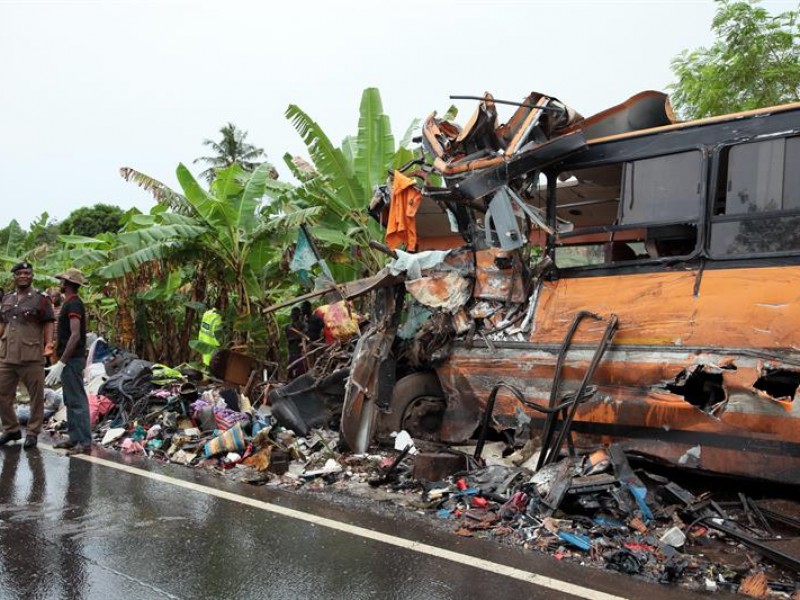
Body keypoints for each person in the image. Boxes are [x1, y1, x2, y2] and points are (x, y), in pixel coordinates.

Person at [0, 262, 55, 449]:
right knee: (2, 395)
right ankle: (11, 429)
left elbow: (48, 322)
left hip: (31, 355)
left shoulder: (41, 299)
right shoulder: (7, 299)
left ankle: (33, 432)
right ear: (14, 277)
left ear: (32, 276)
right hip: (7, 355)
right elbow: (2, 324)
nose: (23, 276)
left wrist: (49, 344)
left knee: (36, 397)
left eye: (27, 273)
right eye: (20, 273)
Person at [45, 268, 92, 454]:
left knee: (77, 401)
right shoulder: (70, 303)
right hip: (70, 358)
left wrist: (62, 361)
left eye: (63, 281)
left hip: (72, 359)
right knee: (70, 400)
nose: (60, 284)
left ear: (67, 284)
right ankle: (74, 438)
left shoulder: (73, 305)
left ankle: (84, 442)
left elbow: (75, 335)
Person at [285, 307, 306, 379]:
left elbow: (305, 336)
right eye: (293, 315)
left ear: (298, 315)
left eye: (295, 315)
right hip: (292, 348)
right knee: (292, 364)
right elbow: (288, 337)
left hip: (301, 349)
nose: (293, 316)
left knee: (301, 366)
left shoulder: (303, 325)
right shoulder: (288, 326)